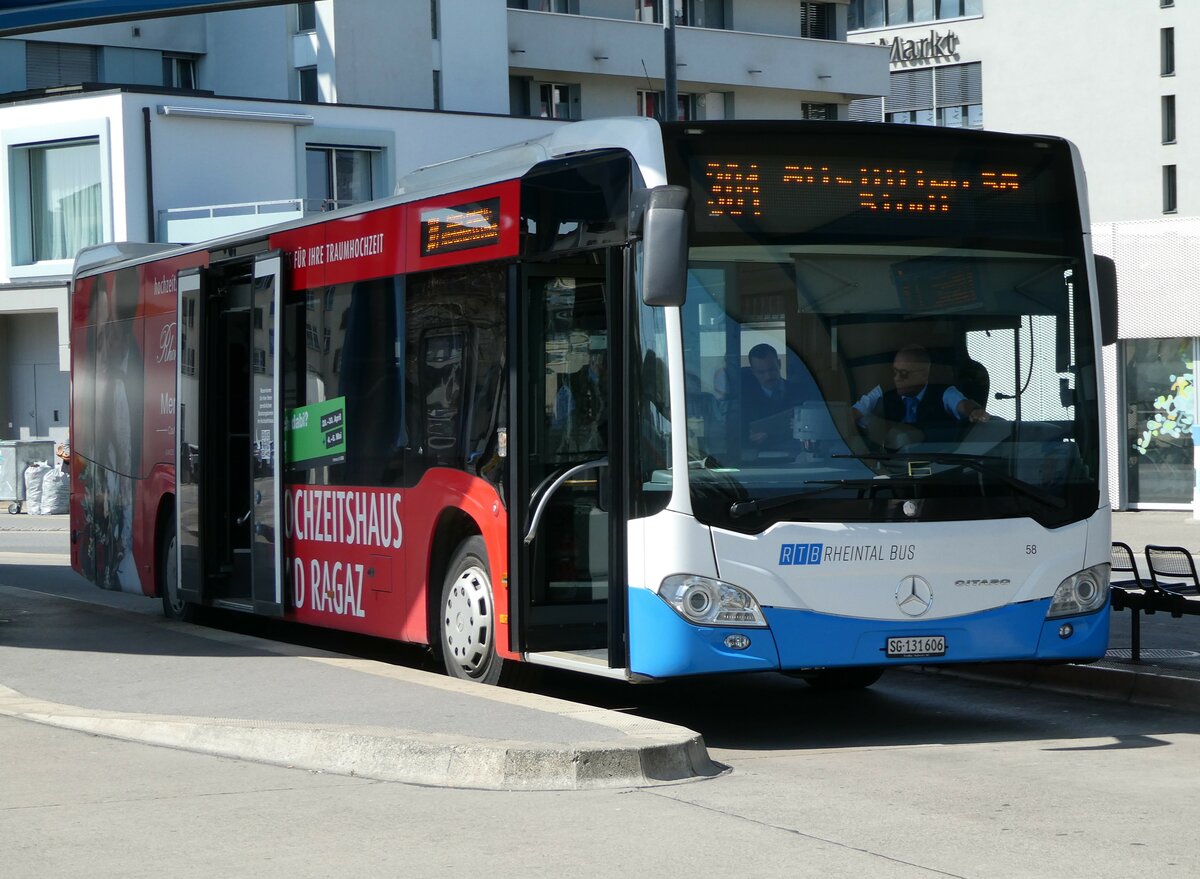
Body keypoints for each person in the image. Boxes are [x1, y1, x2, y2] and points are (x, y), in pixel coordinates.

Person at [852, 344, 989, 449]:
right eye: (895, 372)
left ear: (924, 374)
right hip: (891, 467)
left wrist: (974, 411)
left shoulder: (944, 392)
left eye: (904, 373)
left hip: (939, 463)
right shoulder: (883, 390)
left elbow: (962, 405)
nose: (896, 378)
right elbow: (855, 413)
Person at [740, 343, 811, 450]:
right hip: (762, 460)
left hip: (799, 457)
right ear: (753, 372)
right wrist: (748, 439)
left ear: (779, 364)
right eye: (761, 372)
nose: (768, 376)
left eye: (772, 369)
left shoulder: (803, 393)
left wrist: (804, 426)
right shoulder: (745, 401)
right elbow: (734, 436)